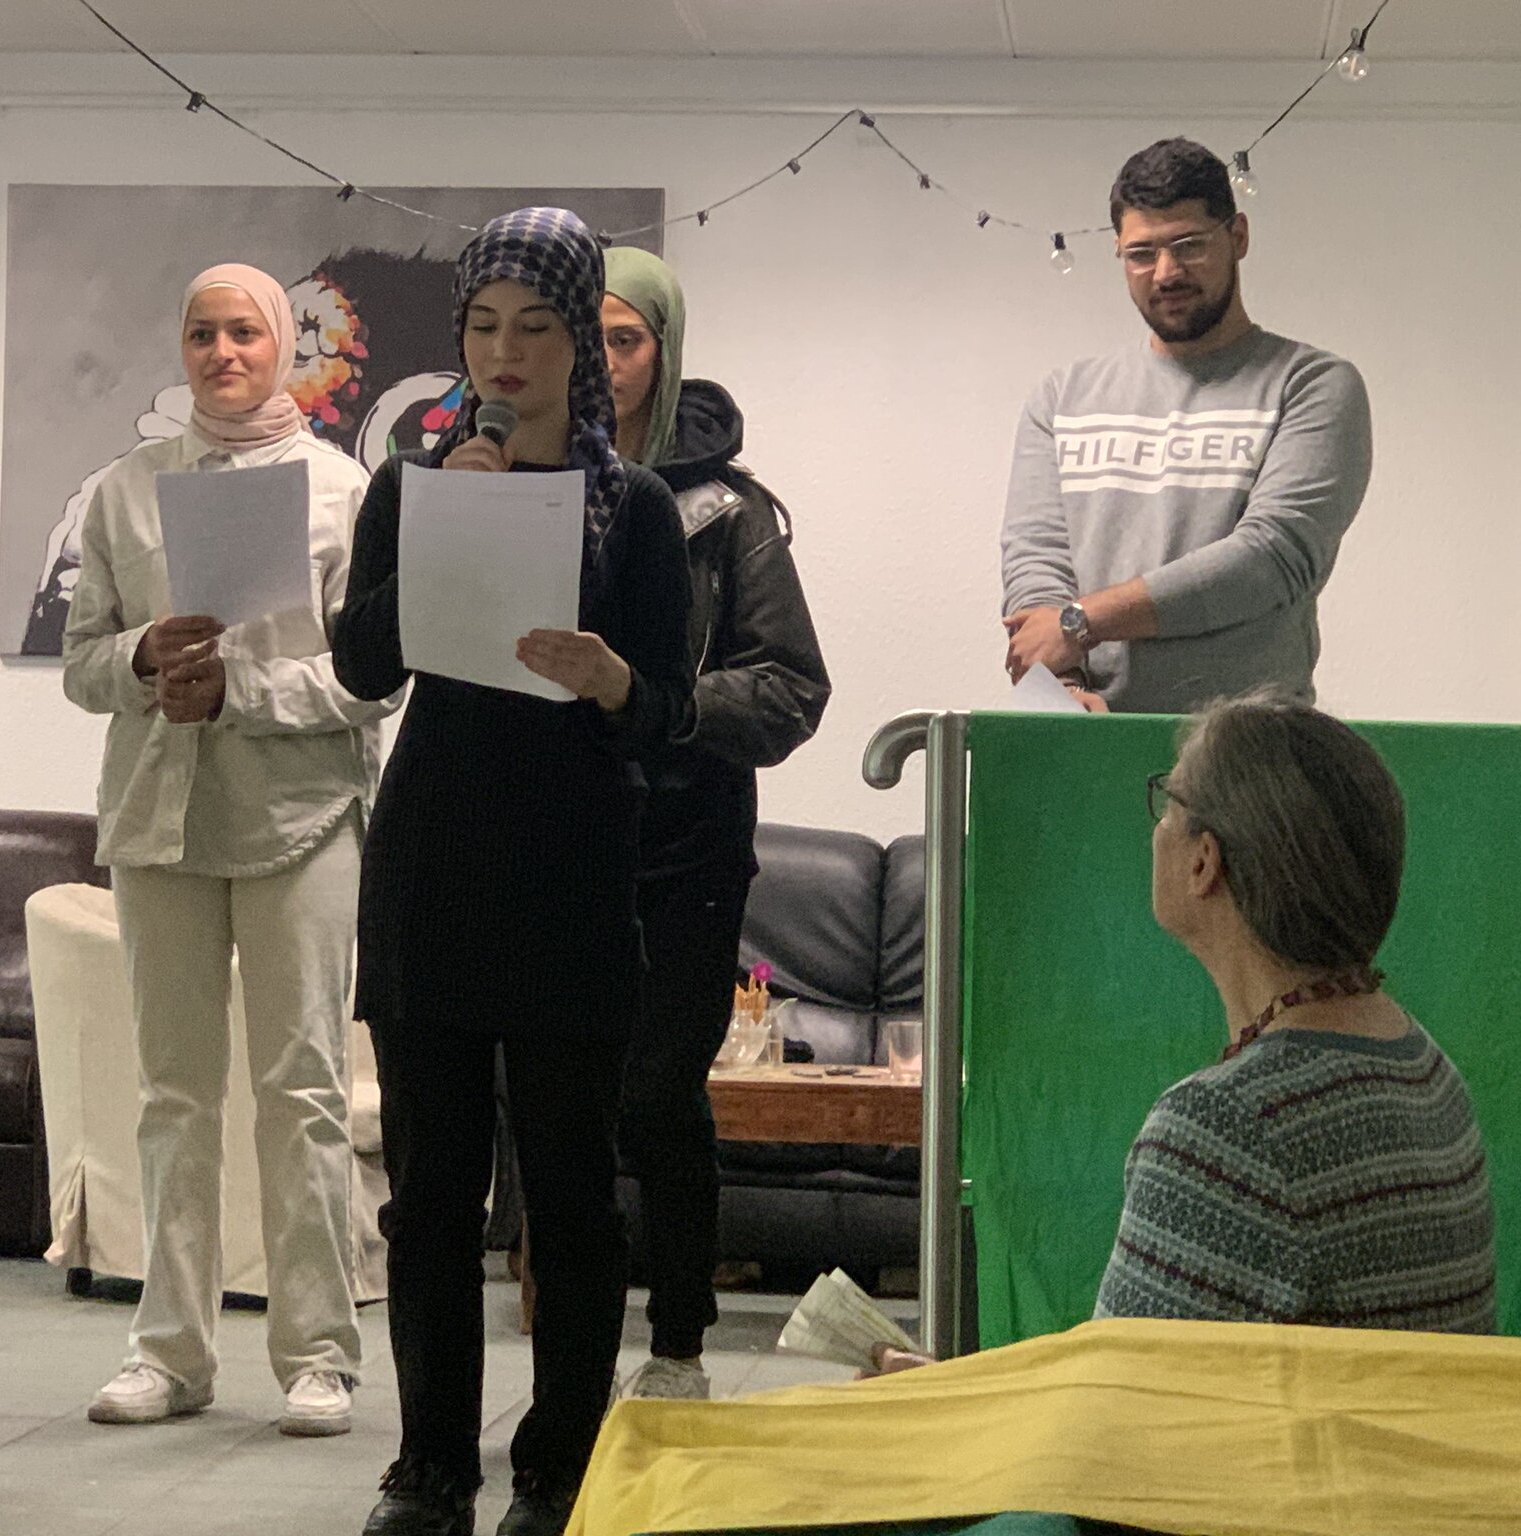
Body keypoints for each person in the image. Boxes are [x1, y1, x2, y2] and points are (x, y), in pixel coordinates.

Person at [333, 208, 694, 1536]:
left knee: (570, 1196)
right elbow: (361, 664)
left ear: (578, 342)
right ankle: (430, 1465)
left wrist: (614, 681)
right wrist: (450, 523)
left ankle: (558, 1465)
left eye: (535, 327)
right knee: (430, 1198)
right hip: (432, 864)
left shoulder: (635, 506)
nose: (505, 353)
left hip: (570, 875)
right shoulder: (409, 486)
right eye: (483, 327)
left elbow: (673, 711)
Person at [873, 697, 1496, 1374]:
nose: (1156, 828)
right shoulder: (1423, 1065)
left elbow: (1122, 1413)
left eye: (1168, 801)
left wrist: (940, 1405)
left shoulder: (1227, 1126)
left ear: (1204, 863)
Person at [63, 263, 392, 1438]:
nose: (221, 353)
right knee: (170, 1097)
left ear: (283, 345)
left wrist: (242, 690)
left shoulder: (343, 490)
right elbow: (83, 662)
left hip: (300, 820)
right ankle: (168, 1351)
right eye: (202, 333)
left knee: (301, 1092)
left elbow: (370, 679)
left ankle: (317, 1356)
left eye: (243, 332)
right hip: (158, 818)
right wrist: (145, 658)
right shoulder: (126, 490)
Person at [599, 247, 830, 1400]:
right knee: (562, 1109)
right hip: (550, 842)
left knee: (656, 1097)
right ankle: (574, 1353)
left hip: (685, 847)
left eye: (624, 339)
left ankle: (678, 1342)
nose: (600, 362)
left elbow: (790, 688)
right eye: (582, 336)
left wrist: (661, 706)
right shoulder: (519, 484)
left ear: (664, 350)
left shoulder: (727, 511)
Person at [1000, 137, 1373, 714]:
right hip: (1088, 735)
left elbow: (1271, 558)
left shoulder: (1311, 384)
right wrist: (1066, 689)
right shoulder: (1063, 398)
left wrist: (1082, 621)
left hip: (1252, 746)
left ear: (1238, 236)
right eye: (1141, 253)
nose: (1166, 272)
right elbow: (1035, 557)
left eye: (1189, 245)